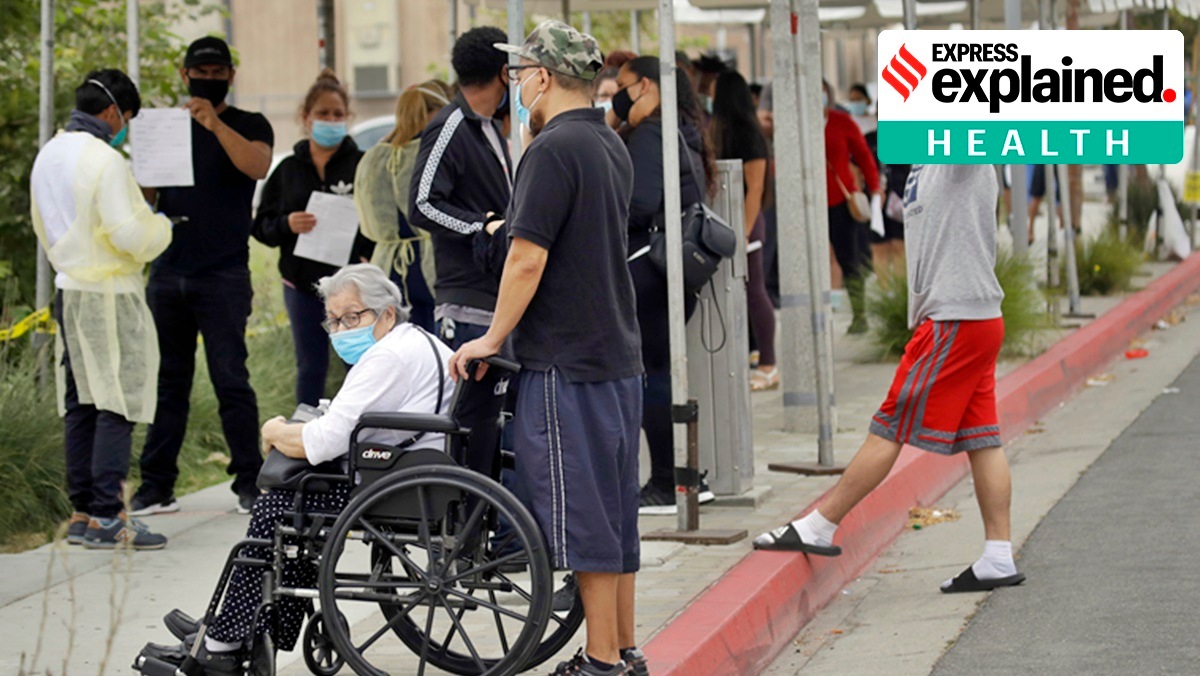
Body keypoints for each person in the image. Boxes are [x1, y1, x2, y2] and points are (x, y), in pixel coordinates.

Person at [141, 264, 455, 671]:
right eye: (335, 320)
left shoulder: (386, 359)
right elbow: (347, 418)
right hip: (410, 470)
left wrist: (275, 431)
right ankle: (239, 626)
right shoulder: (418, 342)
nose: (342, 329)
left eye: (353, 317)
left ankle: (223, 641)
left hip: (392, 483)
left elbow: (323, 442)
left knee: (278, 502)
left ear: (387, 313)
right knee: (294, 498)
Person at [450, 20, 644, 676]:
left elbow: (527, 258)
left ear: (541, 75)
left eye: (521, 71)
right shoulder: (608, 143)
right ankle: (623, 650)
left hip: (565, 359)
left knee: (585, 516)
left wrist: (491, 336)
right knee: (615, 516)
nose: (517, 83)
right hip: (615, 354)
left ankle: (599, 661)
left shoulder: (552, 149)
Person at [753, 164, 1025, 597]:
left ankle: (819, 526)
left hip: (954, 318)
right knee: (982, 438)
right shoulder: (923, 161)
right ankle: (997, 556)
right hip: (969, 319)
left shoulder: (962, 154)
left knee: (889, 427)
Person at [30, 70, 173, 550]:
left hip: (69, 288)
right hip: (109, 292)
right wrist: (162, 227)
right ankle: (110, 516)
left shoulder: (49, 153)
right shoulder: (104, 160)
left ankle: (83, 513)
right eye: (127, 119)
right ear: (114, 113)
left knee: (82, 402)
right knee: (117, 402)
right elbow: (130, 234)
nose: (124, 128)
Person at [133, 36, 274, 516]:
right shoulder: (165, 127)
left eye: (217, 73)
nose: (207, 80)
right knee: (169, 380)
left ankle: (249, 482)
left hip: (224, 274)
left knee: (231, 378)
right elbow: (146, 196)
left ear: (231, 76)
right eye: (201, 72)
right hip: (169, 271)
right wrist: (144, 161)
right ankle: (156, 485)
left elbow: (256, 165)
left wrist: (213, 124)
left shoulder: (249, 123)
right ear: (183, 73)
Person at [609, 55, 719, 516]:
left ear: (647, 87)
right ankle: (687, 475)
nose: (616, 94)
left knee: (651, 374)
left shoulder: (653, 134)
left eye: (623, 86)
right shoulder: (682, 131)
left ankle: (665, 480)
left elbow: (639, 203)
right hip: (668, 274)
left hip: (648, 272)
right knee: (661, 372)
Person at [253, 69, 371, 406]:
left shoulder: (361, 165)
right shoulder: (288, 169)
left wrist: (366, 253)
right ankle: (304, 439)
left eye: (338, 114)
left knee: (360, 364)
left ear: (347, 118)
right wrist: (287, 224)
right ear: (306, 118)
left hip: (353, 286)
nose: (331, 120)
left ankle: (356, 434)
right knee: (310, 367)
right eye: (323, 113)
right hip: (301, 286)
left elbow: (378, 222)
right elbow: (261, 226)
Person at [409, 26, 514, 351]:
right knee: (470, 401)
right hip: (467, 300)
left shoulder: (489, 126)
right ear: (504, 73)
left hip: (497, 294)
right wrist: (482, 226)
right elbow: (421, 205)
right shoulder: (449, 126)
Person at [356, 80, 454, 334]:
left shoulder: (373, 157)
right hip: (433, 264)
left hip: (386, 267)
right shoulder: (434, 152)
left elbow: (367, 220)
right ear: (432, 112)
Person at [711, 70, 779, 391]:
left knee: (755, 293)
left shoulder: (748, 133)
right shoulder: (721, 131)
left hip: (745, 226)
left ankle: (768, 363)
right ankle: (754, 354)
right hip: (729, 224)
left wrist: (745, 231)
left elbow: (755, 188)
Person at [822, 79, 880, 335]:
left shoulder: (841, 122)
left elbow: (864, 155)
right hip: (807, 203)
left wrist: (874, 187)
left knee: (849, 258)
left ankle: (859, 315)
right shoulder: (797, 124)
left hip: (841, 200)